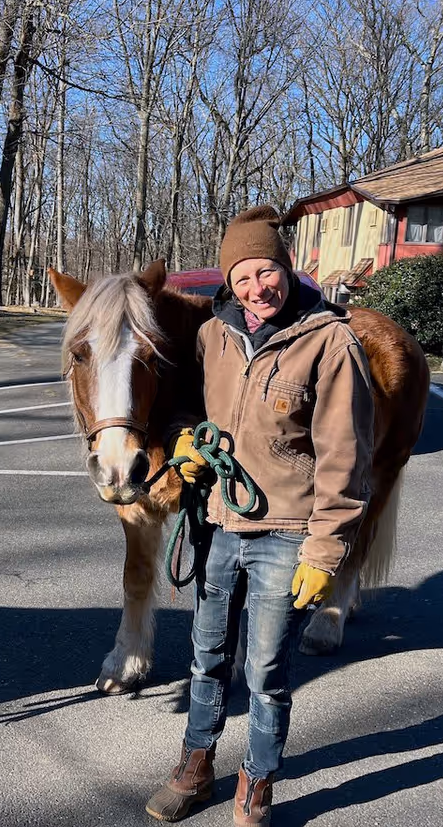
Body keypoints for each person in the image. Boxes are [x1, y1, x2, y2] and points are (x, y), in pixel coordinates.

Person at [145, 205, 374, 826]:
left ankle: (257, 780)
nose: (256, 289)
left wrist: (326, 551)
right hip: (223, 522)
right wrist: (187, 439)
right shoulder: (213, 336)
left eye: (265, 272)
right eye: (242, 277)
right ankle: (196, 765)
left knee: (267, 670)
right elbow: (188, 409)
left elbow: (345, 459)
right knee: (206, 656)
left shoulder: (330, 341)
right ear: (229, 282)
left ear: (287, 267)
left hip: (290, 532)